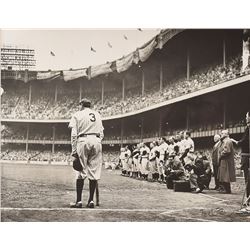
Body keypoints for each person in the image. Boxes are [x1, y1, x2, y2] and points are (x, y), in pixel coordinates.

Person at [68, 98, 104, 208]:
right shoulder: (97, 115)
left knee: (80, 172)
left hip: (83, 140)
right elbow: (102, 133)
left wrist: (74, 151)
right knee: (93, 173)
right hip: (97, 141)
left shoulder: (77, 114)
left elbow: (74, 134)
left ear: (81, 105)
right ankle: (91, 201)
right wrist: (97, 141)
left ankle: (79, 201)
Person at [235, 111, 250, 207]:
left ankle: (248, 199)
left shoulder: (248, 128)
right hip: (246, 156)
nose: (245, 118)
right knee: (247, 179)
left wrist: (237, 142)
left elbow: (245, 141)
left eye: (247, 116)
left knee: (248, 179)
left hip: (247, 156)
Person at [217, 130, 236, 194]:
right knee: (224, 175)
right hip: (225, 160)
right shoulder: (225, 141)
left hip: (225, 160)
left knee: (225, 176)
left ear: (226, 134)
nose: (221, 134)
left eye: (222, 133)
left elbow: (227, 151)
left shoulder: (227, 141)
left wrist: (220, 155)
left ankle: (227, 190)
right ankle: (226, 189)